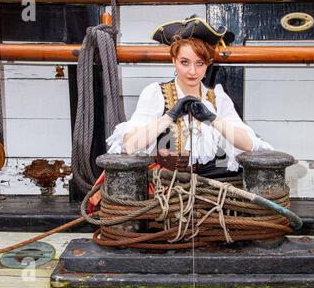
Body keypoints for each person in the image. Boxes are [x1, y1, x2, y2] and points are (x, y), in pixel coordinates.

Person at [87, 16, 274, 212]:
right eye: (185, 62)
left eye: (199, 63)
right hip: (163, 190)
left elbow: (248, 144)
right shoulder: (156, 94)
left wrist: (213, 118)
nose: (192, 71)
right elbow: (130, 145)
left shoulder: (217, 99)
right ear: (174, 60)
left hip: (207, 188)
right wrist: (169, 115)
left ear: (208, 63)